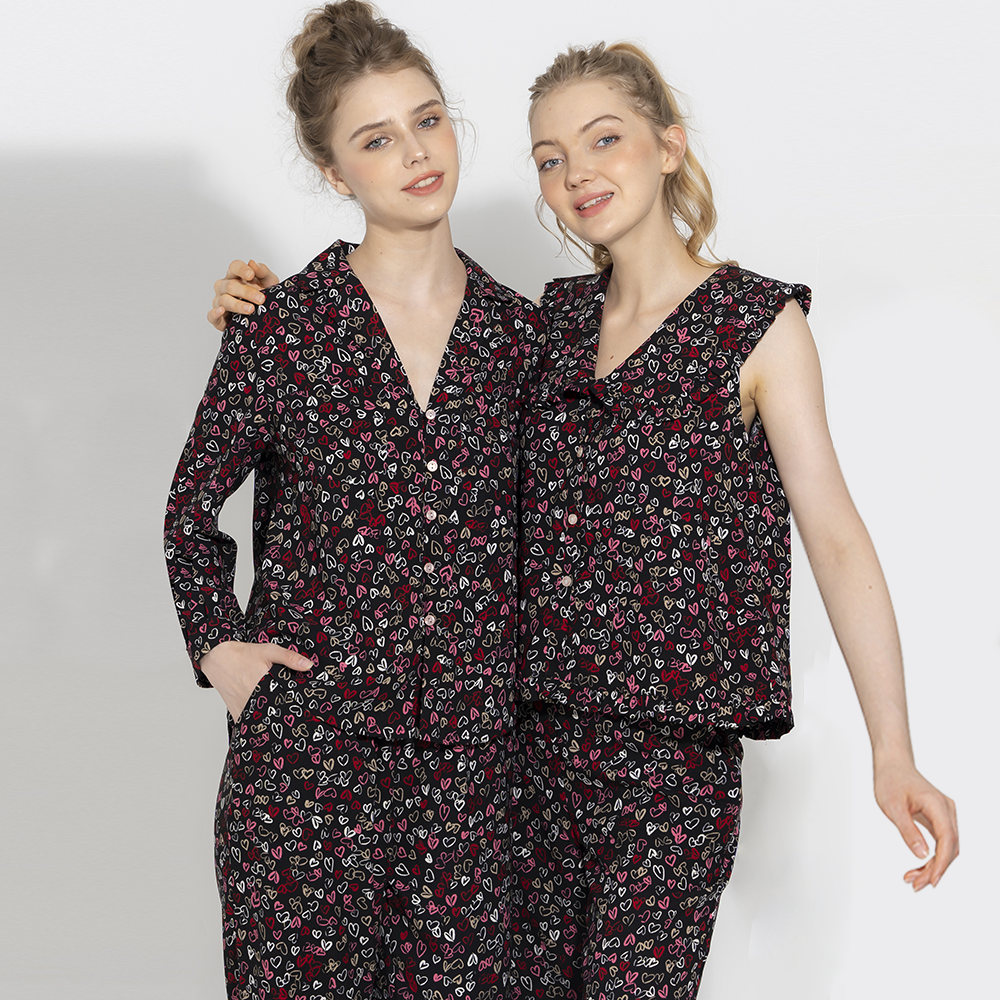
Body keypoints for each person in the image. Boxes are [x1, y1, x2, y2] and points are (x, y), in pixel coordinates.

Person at [205, 35, 959, 1000]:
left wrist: (893, 751)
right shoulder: (544, 328)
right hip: (518, 774)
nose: (579, 174)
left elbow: (838, 538)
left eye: (605, 140)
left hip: (668, 772)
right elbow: (411, 425)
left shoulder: (757, 325)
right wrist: (271, 317)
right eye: (550, 159)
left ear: (669, 144)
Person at [164, 3, 544, 998]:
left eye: (429, 120)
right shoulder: (281, 326)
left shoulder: (525, 339)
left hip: (477, 789)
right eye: (376, 139)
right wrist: (220, 650)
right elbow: (189, 513)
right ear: (335, 173)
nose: (416, 152)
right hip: (308, 771)